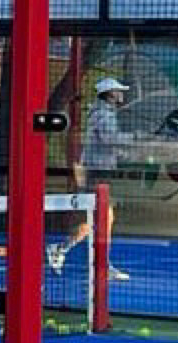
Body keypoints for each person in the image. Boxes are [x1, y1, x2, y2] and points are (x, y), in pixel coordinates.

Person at [47, 76, 135, 282]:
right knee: (104, 219)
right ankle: (99, 264)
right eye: (118, 90)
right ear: (110, 94)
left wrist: (127, 153)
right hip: (97, 174)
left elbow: (107, 145)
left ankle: (64, 250)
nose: (121, 94)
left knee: (95, 221)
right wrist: (134, 138)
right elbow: (110, 139)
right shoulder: (103, 114)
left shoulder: (104, 113)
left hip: (100, 172)